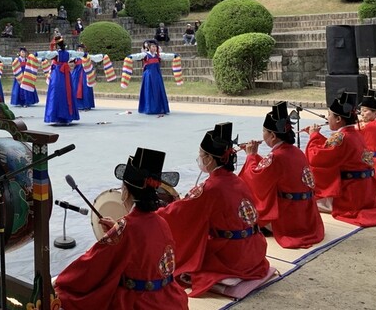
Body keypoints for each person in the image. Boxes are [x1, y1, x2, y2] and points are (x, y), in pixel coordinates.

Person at [55, 148, 189, 310]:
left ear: (125, 192)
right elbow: (140, 243)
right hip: (171, 300)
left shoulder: (125, 229)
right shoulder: (161, 222)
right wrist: (117, 231)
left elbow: (91, 265)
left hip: (138, 303)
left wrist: (62, 281)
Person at [158, 122, 270, 297]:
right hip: (256, 249)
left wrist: (153, 216)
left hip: (235, 256)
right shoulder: (236, 180)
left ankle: (224, 276)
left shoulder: (210, 188)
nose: (200, 159)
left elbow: (178, 213)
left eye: (201, 155)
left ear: (210, 159)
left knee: (183, 269)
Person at [305, 92, 376, 227]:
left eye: (329, 115)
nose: (328, 118)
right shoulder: (355, 132)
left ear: (338, 119)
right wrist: (318, 136)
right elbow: (333, 150)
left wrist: (314, 136)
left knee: (310, 201)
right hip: (368, 192)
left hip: (352, 195)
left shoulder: (341, 137)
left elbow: (317, 157)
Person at [238, 102, 325, 249]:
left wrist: (251, 156)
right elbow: (269, 170)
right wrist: (254, 157)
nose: (263, 135)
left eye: (264, 131)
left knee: (242, 214)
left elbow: (256, 178)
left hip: (288, 217)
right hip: (306, 216)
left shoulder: (275, 157)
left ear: (272, 135)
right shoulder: (296, 151)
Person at [39, 35, 80, 126]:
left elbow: (46, 54)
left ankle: (56, 116)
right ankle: (67, 116)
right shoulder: (69, 53)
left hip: (58, 74)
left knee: (56, 92)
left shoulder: (56, 53)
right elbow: (79, 54)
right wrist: (85, 55)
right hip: (66, 74)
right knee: (67, 92)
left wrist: (36, 54)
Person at [129, 41, 175, 116]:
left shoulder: (158, 55)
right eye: (152, 46)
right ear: (149, 47)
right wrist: (131, 57)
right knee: (149, 91)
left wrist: (174, 56)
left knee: (158, 90)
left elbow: (166, 56)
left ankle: (159, 108)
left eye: (155, 47)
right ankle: (149, 108)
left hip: (157, 75)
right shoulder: (145, 55)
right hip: (148, 76)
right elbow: (137, 56)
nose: (154, 48)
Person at [71, 43, 97, 111]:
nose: (80, 50)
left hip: (85, 72)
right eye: (78, 49)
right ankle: (76, 104)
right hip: (76, 73)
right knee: (74, 87)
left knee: (86, 88)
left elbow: (94, 58)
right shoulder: (75, 56)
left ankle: (87, 104)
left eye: (81, 49)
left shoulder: (87, 56)